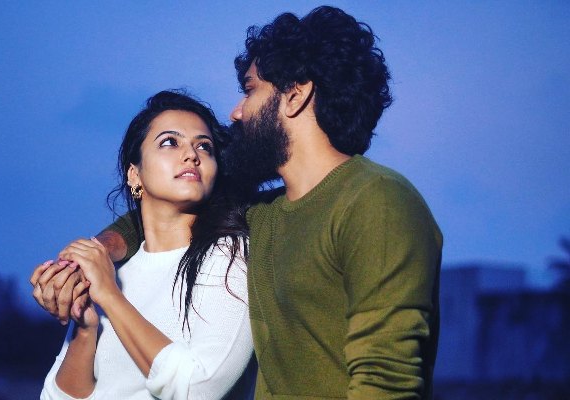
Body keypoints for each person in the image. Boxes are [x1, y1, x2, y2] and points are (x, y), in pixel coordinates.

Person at [48, 5, 442, 399]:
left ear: (295, 96)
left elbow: (386, 382)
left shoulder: (377, 201)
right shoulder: (262, 215)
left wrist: (107, 289)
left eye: (251, 90)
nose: (236, 113)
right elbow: (156, 215)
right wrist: (90, 256)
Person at [29, 90, 256, 400]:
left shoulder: (229, 255)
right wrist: (86, 329)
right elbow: (55, 397)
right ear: (134, 174)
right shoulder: (115, 269)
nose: (192, 155)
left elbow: (198, 388)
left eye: (204, 146)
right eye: (170, 142)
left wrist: (109, 295)